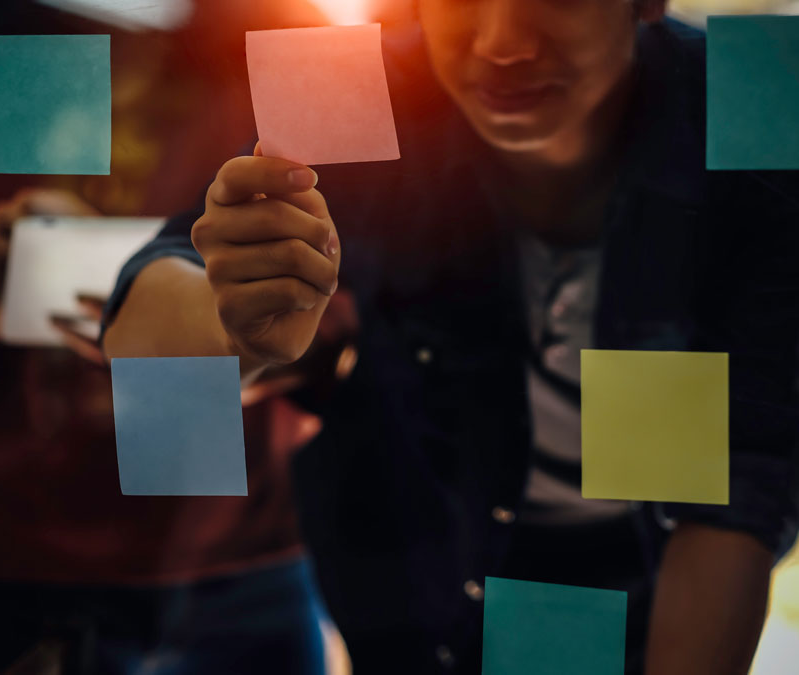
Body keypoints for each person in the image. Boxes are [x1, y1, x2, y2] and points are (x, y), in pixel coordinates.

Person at [103, 0, 799, 674]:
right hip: (406, 576)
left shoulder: (748, 92)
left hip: (630, 579)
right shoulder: (362, 78)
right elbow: (150, 304)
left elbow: (741, 487)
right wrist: (235, 333)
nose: (502, 43)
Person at [0, 1, 343, 673]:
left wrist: (233, 337)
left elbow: (367, 314)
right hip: (1, 567)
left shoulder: (291, 38)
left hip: (247, 559)